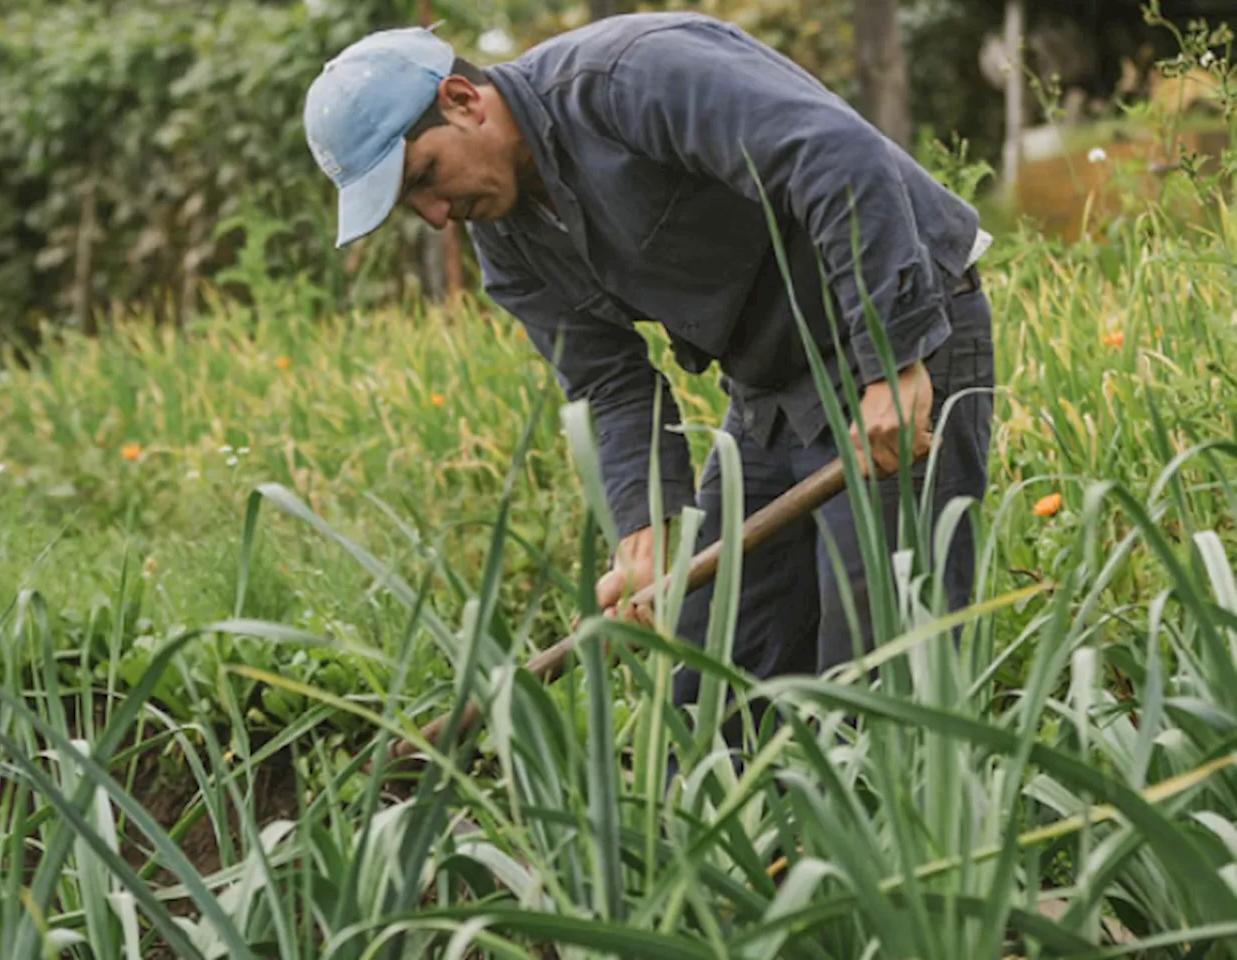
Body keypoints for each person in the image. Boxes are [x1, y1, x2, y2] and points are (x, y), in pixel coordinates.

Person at [302, 13, 995, 747]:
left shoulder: (629, 77)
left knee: (879, 675)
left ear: (462, 100)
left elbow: (835, 157)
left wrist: (893, 356)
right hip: (769, 393)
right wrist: (644, 532)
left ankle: (909, 847)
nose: (436, 216)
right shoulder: (503, 235)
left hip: (897, 339)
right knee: (707, 685)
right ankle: (741, 856)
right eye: (414, 206)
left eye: (425, 177)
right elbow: (607, 382)